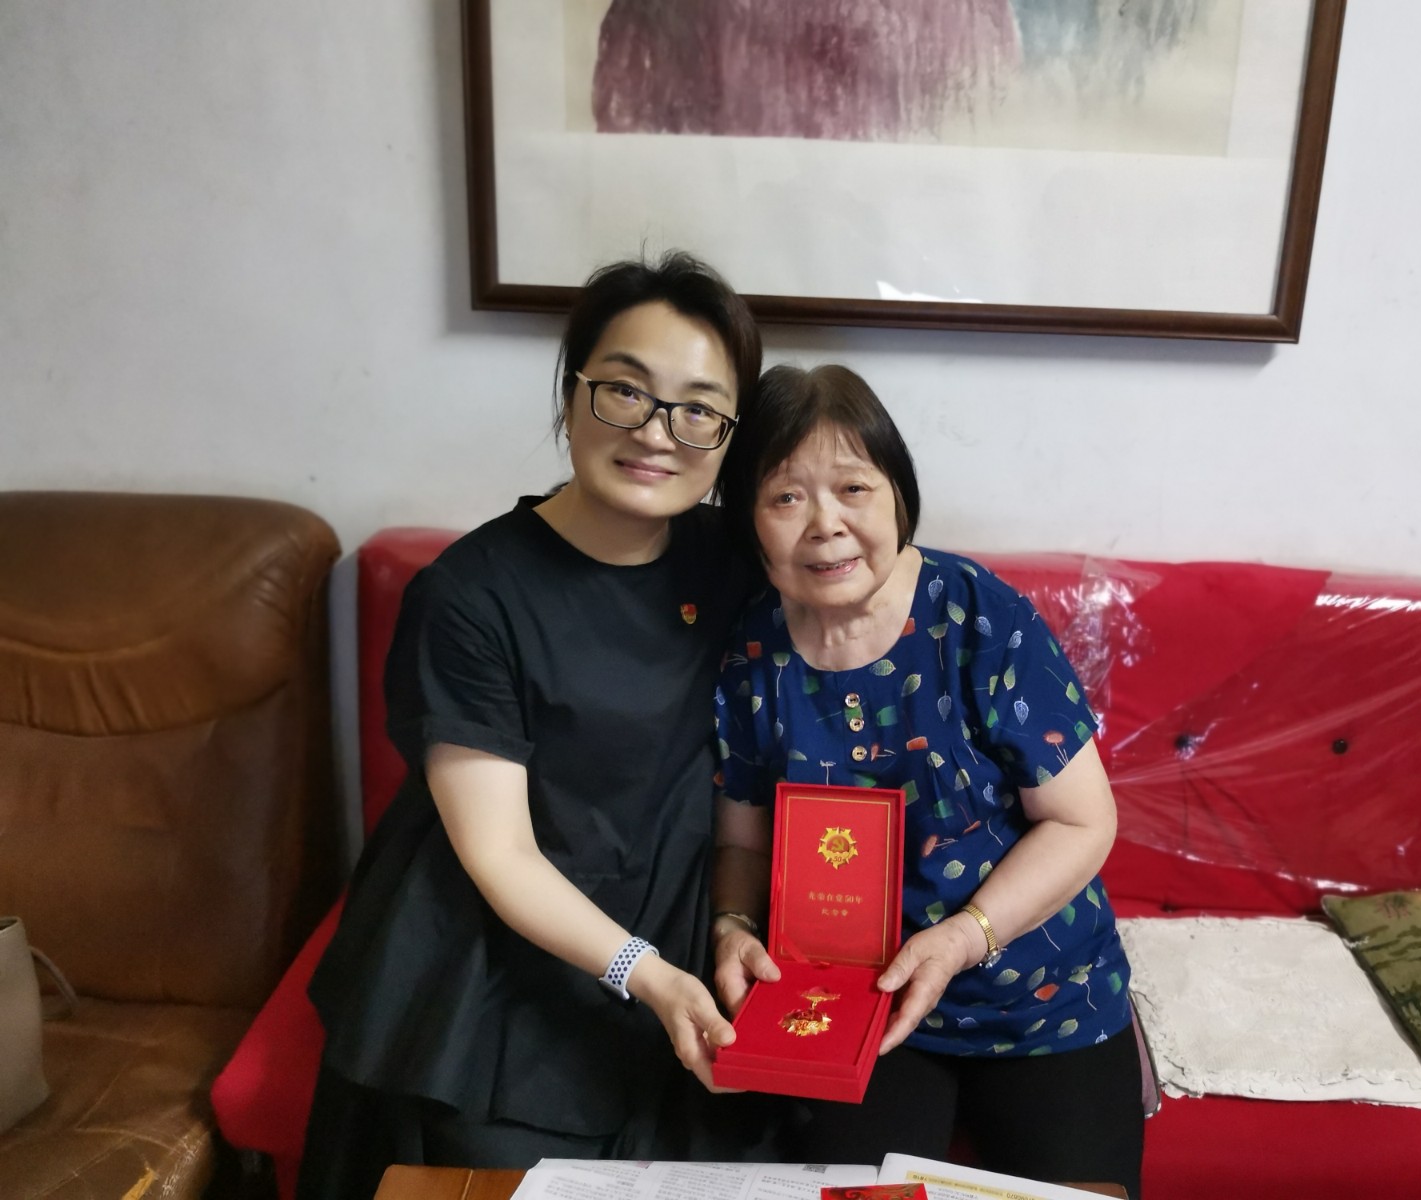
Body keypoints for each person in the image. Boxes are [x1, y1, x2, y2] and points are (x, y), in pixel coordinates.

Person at [297, 252, 765, 1200]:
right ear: (571, 393)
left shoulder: (732, 556)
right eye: (625, 392)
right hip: (504, 962)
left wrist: (730, 924)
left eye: (699, 410)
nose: (657, 433)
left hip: (680, 933)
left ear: (729, 437)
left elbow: (874, 567)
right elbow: (499, 855)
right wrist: (648, 975)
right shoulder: (471, 596)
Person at [710, 365, 1144, 1196]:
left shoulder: (980, 616)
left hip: (1037, 989)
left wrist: (962, 939)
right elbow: (741, 841)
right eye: (786, 497)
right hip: (851, 1001)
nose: (826, 524)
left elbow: (1082, 822)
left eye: (853, 488)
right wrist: (731, 927)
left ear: (898, 496)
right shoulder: (751, 649)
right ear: (749, 523)